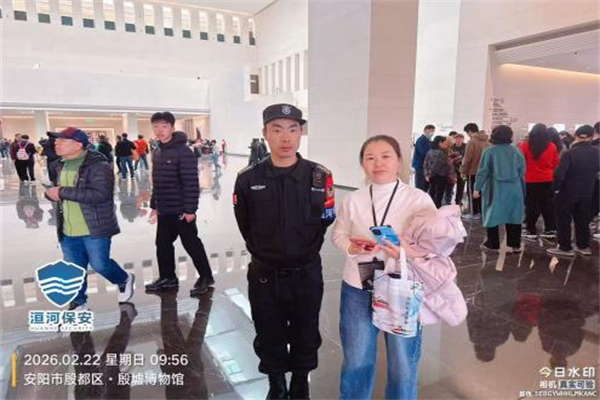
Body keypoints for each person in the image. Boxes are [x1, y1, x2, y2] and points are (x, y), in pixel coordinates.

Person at [233, 103, 335, 399]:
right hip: (265, 273)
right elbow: (244, 223)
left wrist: (303, 247)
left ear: (301, 132)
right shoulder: (248, 178)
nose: (285, 137)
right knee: (268, 330)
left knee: (306, 330)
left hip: (306, 272)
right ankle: (276, 383)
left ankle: (301, 380)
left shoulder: (320, 176)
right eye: (277, 130)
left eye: (292, 129)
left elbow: (326, 218)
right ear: (265, 134)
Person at [331, 135, 438, 400]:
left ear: (399, 160)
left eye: (385, 156)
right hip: (358, 287)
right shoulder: (353, 199)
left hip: (402, 288)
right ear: (363, 164)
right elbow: (338, 234)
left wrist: (404, 250)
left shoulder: (419, 199)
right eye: (370, 158)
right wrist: (352, 247)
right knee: (356, 360)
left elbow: (434, 246)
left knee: (403, 363)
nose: (378, 163)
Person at [44, 127, 134, 310]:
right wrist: (51, 194)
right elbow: (57, 191)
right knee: (74, 269)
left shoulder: (99, 166)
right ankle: (79, 301)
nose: (56, 143)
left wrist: (62, 192)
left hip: (94, 227)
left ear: (78, 145)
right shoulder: (58, 165)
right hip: (67, 228)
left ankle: (124, 279)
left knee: (100, 265)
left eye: (62, 140)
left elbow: (100, 195)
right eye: (56, 140)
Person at [145, 112, 214, 297]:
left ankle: (206, 277)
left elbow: (191, 182)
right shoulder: (158, 151)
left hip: (181, 210)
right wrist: (154, 205)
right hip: (164, 209)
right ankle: (168, 277)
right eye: (156, 127)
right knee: (162, 244)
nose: (159, 130)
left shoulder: (183, 151)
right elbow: (157, 181)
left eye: (164, 126)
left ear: (172, 128)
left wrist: (190, 210)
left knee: (191, 243)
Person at [547, 125, 600, 257]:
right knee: (583, 219)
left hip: (567, 192)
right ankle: (583, 246)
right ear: (592, 137)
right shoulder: (597, 152)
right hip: (587, 191)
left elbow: (559, 174)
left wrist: (556, 188)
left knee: (563, 219)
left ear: (576, 136)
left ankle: (565, 247)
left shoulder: (569, 153)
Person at [474, 125, 525, 252]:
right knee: (514, 215)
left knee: (492, 214)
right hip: (514, 187)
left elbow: (482, 171)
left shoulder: (489, 151)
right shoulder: (517, 150)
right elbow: (522, 171)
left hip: (495, 187)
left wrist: (477, 188)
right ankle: (515, 244)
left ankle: (492, 243)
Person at [518, 124, 559, 240]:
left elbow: (520, 163)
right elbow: (556, 163)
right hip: (547, 180)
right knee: (547, 205)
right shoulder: (552, 146)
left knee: (530, 205)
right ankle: (550, 229)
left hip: (529, 180)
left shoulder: (525, 146)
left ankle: (530, 230)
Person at [461, 124, 490, 219]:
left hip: (473, 171)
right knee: (482, 193)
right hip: (485, 172)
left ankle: (474, 213)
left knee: (472, 192)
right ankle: (482, 212)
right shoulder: (488, 141)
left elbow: (467, 159)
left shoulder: (472, 142)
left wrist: (463, 170)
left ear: (469, 131)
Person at [424, 136, 452, 208]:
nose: (445, 145)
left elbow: (425, 164)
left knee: (431, 192)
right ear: (440, 143)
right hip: (440, 176)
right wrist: (449, 164)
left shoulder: (429, 151)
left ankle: (430, 208)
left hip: (431, 176)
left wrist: (427, 174)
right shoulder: (440, 153)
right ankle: (436, 209)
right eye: (444, 143)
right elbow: (437, 166)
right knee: (438, 195)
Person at [412, 124, 435, 192]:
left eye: (433, 131)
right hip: (420, 165)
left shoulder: (429, 141)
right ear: (425, 131)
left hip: (426, 165)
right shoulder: (421, 140)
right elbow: (423, 153)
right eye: (430, 131)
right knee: (420, 184)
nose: (431, 133)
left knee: (425, 184)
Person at [451, 133, 467, 206]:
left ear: (463, 140)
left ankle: (458, 200)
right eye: (457, 139)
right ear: (455, 139)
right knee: (451, 184)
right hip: (453, 169)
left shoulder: (466, 146)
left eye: (460, 139)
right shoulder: (451, 147)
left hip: (462, 169)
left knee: (461, 185)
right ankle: (449, 199)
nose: (459, 141)